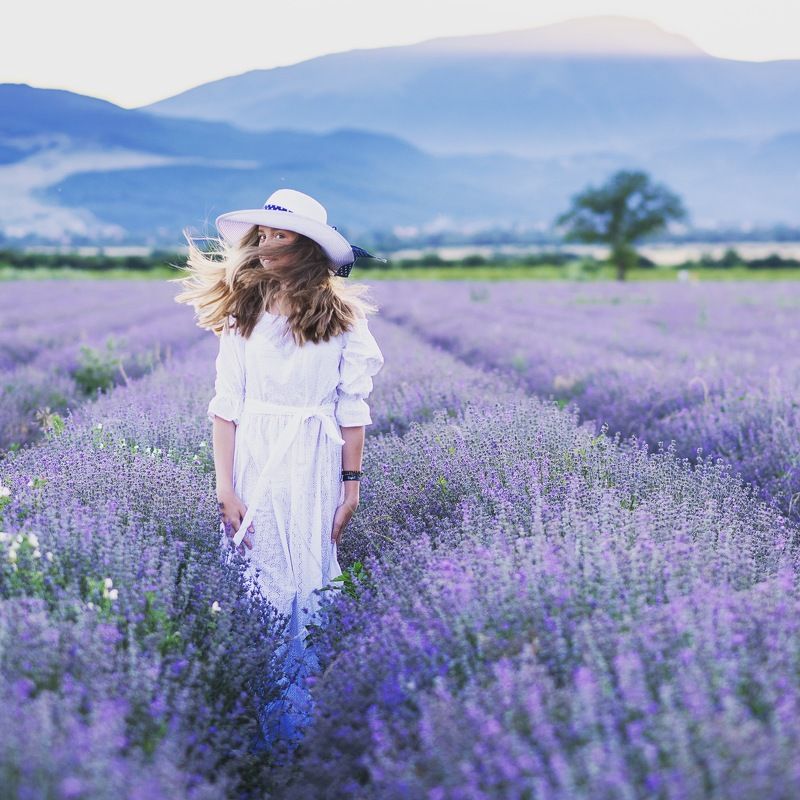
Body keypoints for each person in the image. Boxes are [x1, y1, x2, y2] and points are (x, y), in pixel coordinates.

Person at [172, 188, 385, 751]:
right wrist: (225, 485)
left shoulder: (343, 321)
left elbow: (351, 408)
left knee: (308, 582)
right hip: (256, 456)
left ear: (308, 246)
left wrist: (352, 486)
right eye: (260, 235)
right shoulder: (243, 311)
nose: (264, 244)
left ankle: (308, 724)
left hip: (313, 457)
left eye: (278, 235)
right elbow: (226, 405)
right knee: (260, 581)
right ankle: (260, 726)